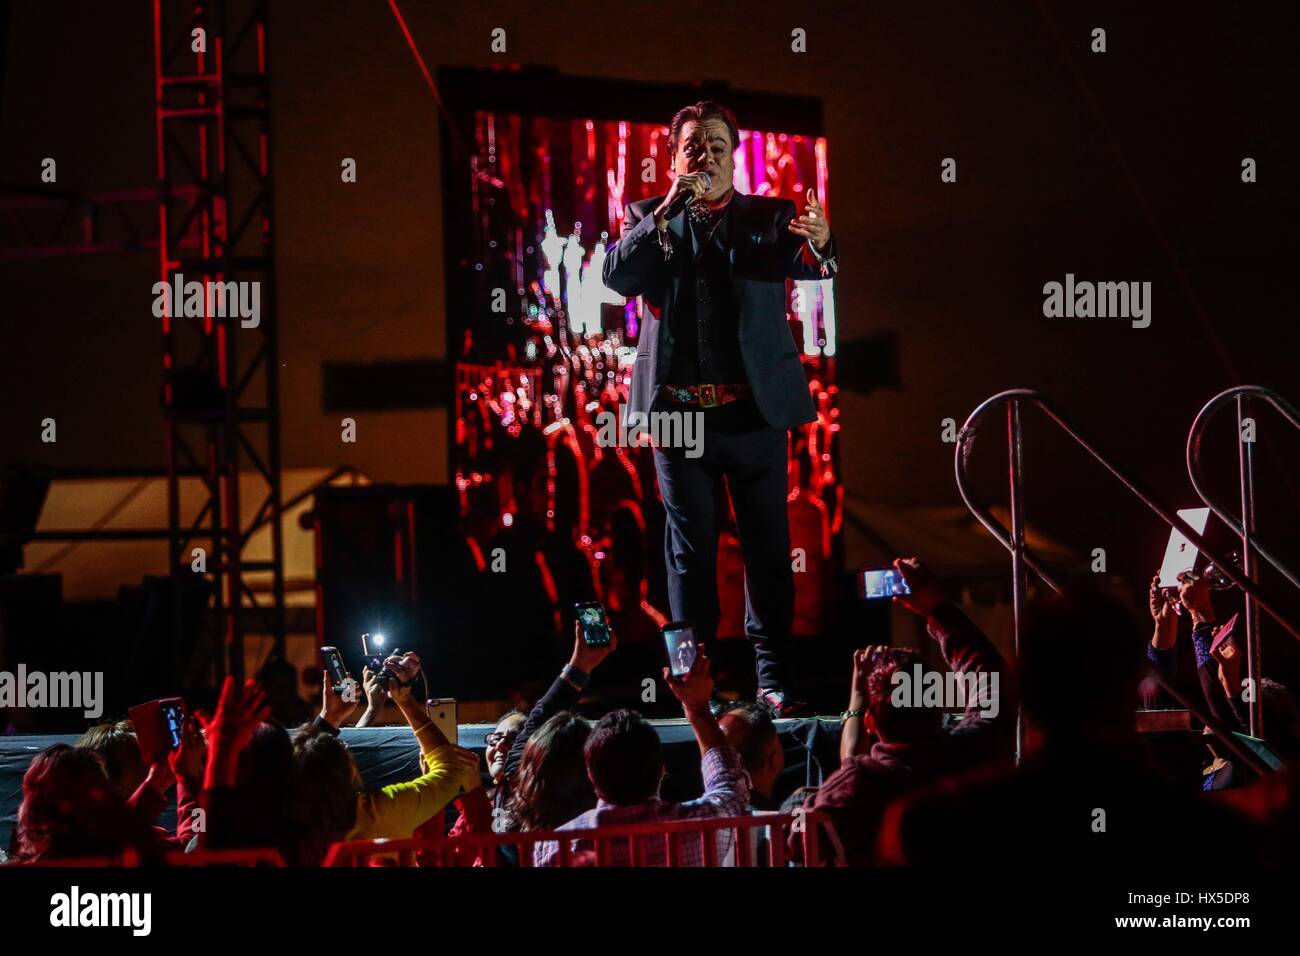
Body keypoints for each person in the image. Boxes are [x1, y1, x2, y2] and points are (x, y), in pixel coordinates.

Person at [601, 100, 839, 716]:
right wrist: (667, 214)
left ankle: (774, 681)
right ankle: (692, 680)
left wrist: (825, 244)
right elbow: (618, 279)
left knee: (766, 548)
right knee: (689, 552)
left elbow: (814, 267)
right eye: (691, 146)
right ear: (674, 157)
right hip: (678, 419)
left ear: (732, 155)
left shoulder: (770, 215)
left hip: (752, 415)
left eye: (714, 144)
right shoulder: (648, 217)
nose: (703, 154)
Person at [878, 590, 1263, 866]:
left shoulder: (936, 828)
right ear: (1132, 686)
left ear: (1021, 684)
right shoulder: (1214, 836)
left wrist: (937, 608)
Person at [805, 558, 1010, 865]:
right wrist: (937, 607)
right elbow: (990, 680)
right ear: (939, 708)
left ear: (871, 721)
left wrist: (857, 697)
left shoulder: (851, 787)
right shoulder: (972, 753)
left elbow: (800, 844)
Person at [535, 649, 749, 866]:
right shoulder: (697, 828)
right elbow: (730, 786)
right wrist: (697, 708)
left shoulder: (556, 846)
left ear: (591, 775)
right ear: (661, 770)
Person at [289, 651, 481, 865]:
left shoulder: (277, 820)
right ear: (350, 771)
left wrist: (330, 717)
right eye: (344, 748)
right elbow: (451, 771)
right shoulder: (378, 811)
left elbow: (298, 763)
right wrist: (405, 699)